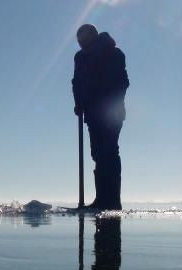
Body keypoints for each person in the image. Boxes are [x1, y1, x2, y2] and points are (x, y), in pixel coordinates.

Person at [72, 24, 129, 210]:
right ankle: (101, 200)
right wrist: (79, 103)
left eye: (84, 40)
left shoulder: (113, 53)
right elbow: (77, 82)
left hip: (111, 113)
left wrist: (105, 102)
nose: (82, 44)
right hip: (92, 114)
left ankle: (112, 201)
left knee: (108, 152)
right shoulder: (80, 58)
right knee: (97, 154)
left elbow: (121, 82)